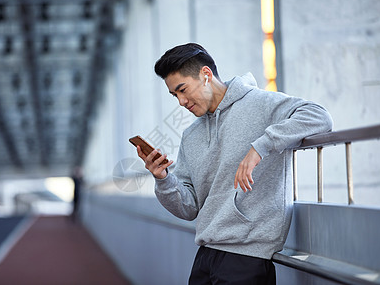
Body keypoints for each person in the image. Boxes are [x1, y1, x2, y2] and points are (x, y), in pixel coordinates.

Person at [135, 43, 333, 284]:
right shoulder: (191, 136)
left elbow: (319, 116)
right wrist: (163, 179)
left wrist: (259, 147)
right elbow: (188, 209)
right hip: (206, 255)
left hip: (247, 256)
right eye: (175, 94)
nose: (181, 101)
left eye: (183, 89)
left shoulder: (260, 104)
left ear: (205, 75)